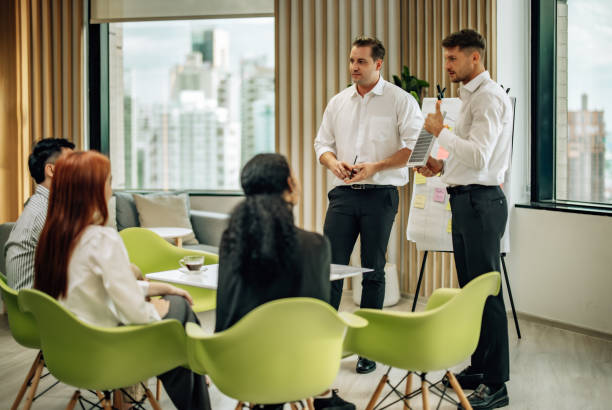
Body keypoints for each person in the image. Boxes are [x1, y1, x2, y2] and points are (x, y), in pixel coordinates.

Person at [33, 151, 211, 410]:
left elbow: (95, 292)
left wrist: (157, 288)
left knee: (176, 347)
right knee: (179, 314)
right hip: (108, 352)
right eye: (109, 180)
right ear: (92, 189)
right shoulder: (101, 239)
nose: (111, 188)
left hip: (69, 352)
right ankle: (201, 369)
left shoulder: (52, 239)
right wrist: (160, 307)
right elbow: (134, 313)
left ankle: (196, 370)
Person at [313, 36, 424, 374]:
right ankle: (324, 342)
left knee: (373, 268)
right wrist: (333, 164)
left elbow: (416, 148)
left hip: (380, 194)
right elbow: (322, 144)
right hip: (343, 194)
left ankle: (368, 348)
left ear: (378, 64)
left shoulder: (400, 101)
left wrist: (375, 167)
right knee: (330, 266)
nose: (353, 68)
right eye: (351, 61)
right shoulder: (338, 102)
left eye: (360, 62)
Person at [418, 29, 511, 410]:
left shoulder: (488, 97)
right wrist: (439, 164)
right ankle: (478, 365)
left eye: (453, 59)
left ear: (475, 58)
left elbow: (479, 158)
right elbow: (463, 159)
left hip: (481, 203)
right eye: (446, 59)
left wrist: (442, 132)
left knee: (488, 294)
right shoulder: (468, 96)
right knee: (473, 292)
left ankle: (497, 383)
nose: (447, 66)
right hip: (466, 201)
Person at [216, 153, 347, 410]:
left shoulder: (230, 242)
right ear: (290, 185)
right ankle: (324, 398)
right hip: (296, 370)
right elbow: (316, 319)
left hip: (235, 367)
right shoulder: (315, 245)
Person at [4, 138, 75, 290]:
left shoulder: (40, 205)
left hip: (32, 304)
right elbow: (75, 269)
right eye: (72, 164)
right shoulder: (45, 213)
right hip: (39, 308)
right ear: (51, 170)